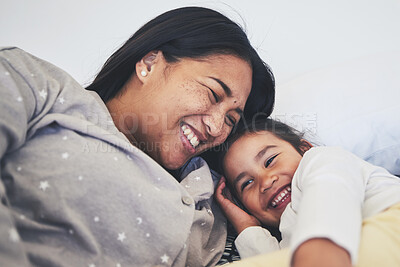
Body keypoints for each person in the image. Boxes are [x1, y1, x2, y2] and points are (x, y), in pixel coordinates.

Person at [0, 7, 275, 266]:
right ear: (149, 63)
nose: (217, 128)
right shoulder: (40, 86)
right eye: (213, 94)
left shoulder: (213, 197)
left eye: (231, 119)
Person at [215, 117, 400, 267]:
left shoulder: (320, 159)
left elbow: (330, 187)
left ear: (304, 149)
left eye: (270, 161)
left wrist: (320, 252)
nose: (265, 182)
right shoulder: (284, 236)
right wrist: (247, 226)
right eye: (247, 183)